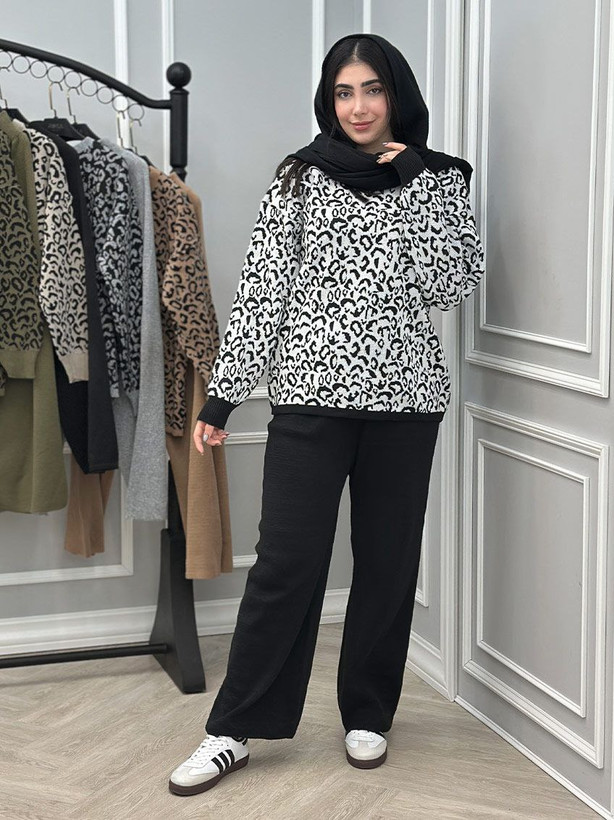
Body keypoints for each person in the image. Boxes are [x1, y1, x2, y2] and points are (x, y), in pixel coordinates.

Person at [168, 32, 485, 797]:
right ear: (328, 99)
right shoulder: (300, 178)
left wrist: (411, 182)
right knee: (286, 563)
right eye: (344, 92)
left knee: (387, 562)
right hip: (310, 398)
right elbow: (263, 288)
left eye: (372, 89)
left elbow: (452, 282)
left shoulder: (438, 180)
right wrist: (225, 392)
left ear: (396, 94)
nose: (359, 106)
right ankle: (233, 729)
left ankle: (368, 712)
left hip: (406, 403)